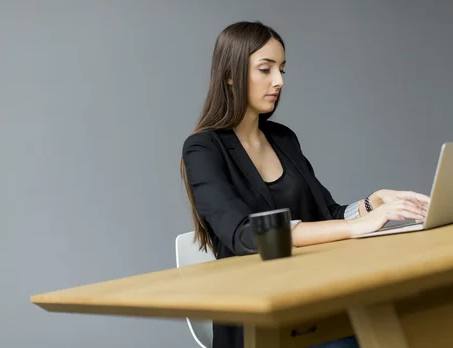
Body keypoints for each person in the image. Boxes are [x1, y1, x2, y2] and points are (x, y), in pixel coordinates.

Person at [180, 21, 430, 348]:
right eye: (265, 69)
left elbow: (327, 214)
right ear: (230, 75)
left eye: (282, 69)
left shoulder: (283, 138)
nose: (279, 81)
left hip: (313, 297)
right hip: (259, 319)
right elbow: (245, 235)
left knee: (410, 323)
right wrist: (358, 227)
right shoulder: (203, 148)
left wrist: (373, 204)